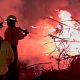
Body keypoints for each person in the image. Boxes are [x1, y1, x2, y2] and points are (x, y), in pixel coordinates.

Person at [4, 15, 29, 80]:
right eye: (14, 22)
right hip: (13, 48)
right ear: (12, 23)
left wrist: (19, 29)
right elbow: (20, 36)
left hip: (7, 48)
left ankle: (9, 74)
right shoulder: (14, 30)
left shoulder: (7, 30)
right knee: (13, 63)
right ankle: (13, 76)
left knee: (9, 62)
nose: (15, 24)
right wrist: (25, 34)